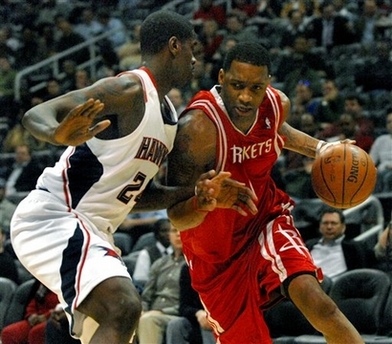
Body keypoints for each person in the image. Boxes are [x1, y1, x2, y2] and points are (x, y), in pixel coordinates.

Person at [10, 10, 255, 344]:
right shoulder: (128, 89)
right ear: (173, 46)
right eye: (191, 48)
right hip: (56, 216)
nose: (196, 59)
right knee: (123, 306)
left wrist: (195, 192)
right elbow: (36, 114)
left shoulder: (168, 118)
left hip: (95, 230)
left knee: (120, 326)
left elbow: (140, 195)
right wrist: (58, 134)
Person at [166, 42, 364, 344]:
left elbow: (277, 130)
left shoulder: (275, 105)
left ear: (268, 84)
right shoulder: (197, 128)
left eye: (256, 88)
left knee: (318, 303)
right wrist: (206, 201)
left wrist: (323, 148)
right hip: (215, 254)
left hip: (264, 221)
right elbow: (177, 217)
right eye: (237, 85)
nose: (246, 96)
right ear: (221, 77)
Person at [137, 226, 186, 344]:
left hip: (176, 313)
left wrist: (161, 311)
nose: (178, 234)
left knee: (148, 320)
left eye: (182, 231)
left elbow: (191, 301)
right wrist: (143, 310)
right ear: (169, 235)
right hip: (152, 312)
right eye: (174, 231)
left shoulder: (193, 264)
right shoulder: (159, 263)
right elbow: (146, 295)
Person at [306, 207, 373, 280]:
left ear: (343, 227)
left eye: (334, 223)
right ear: (320, 226)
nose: (329, 227)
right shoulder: (309, 245)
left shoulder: (355, 248)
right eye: (325, 223)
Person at [166, 264, 215, 344]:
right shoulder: (187, 268)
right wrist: (198, 313)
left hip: (222, 318)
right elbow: (183, 307)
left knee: (210, 323)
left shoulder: (227, 266)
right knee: (175, 325)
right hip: (197, 320)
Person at [133, 217, 173, 288]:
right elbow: (140, 280)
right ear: (156, 234)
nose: (168, 234)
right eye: (164, 231)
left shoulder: (180, 252)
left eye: (171, 231)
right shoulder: (146, 254)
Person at [369, 111, 392, 193]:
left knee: (387, 177)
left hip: (388, 172)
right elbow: (370, 161)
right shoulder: (380, 140)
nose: (391, 124)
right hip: (380, 172)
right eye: (389, 122)